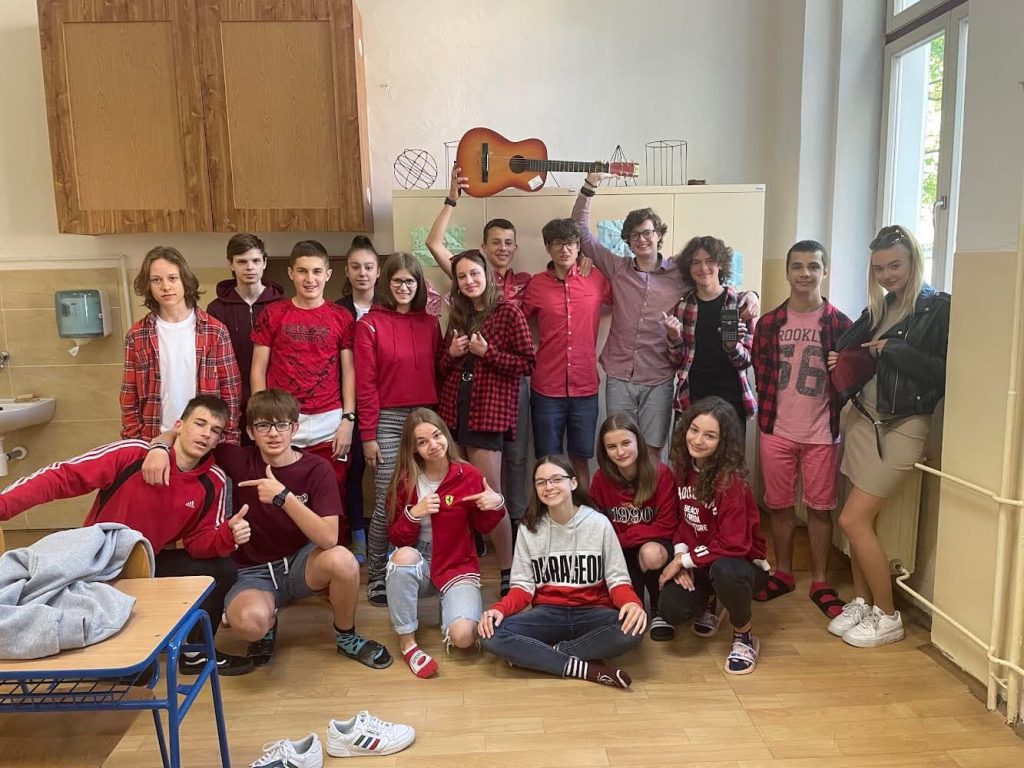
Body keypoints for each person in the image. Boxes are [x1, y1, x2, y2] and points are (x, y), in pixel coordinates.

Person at [1, 395, 252, 674]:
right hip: (97, 562)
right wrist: (4, 506)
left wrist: (227, 535)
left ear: (217, 441)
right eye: (200, 424)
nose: (206, 434)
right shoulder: (133, 453)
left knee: (222, 569)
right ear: (179, 426)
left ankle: (195, 653)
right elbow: (63, 477)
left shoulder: (214, 481)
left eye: (215, 430)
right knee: (135, 675)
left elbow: (198, 543)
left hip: (147, 563)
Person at [144, 389, 392, 670]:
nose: (274, 433)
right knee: (249, 624)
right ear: (251, 432)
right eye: (263, 425)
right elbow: (187, 437)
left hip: (300, 564)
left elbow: (328, 538)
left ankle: (346, 637)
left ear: (294, 428)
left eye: (282, 425)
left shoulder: (317, 469)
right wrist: (158, 447)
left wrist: (283, 497)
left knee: (344, 561)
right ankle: (268, 623)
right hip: (252, 571)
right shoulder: (235, 458)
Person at [826, 225, 950, 648]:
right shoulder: (881, 307)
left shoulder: (937, 308)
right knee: (861, 522)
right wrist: (843, 358)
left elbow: (942, 373)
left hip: (903, 425)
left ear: (914, 260)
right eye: (879, 268)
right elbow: (858, 353)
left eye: (895, 265)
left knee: (852, 520)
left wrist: (892, 349)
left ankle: (889, 614)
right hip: (863, 419)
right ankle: (863, 602)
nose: (886, 275)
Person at [574, 172, 759, 451]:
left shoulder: (679, 273)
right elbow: (580, 231)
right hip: (619, 376)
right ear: (627, 240)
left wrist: (751, 295)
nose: (642, 239)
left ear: (658, 235)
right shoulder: (617, 268)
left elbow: (715, 282)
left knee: (653, 450)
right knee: (620, 447)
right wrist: (590, 186)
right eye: (635, 234)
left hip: (659, 378)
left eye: (647, 232)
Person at [478, 456, 646, 688]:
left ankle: (543, 656)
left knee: (633, 629)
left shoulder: (599, 524)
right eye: (541, 482)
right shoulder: (529, 527)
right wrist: (499, 609)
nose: (549, 486)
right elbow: (522, 588)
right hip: (548, 614)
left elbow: (617, 580)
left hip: (592, 612)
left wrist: (632, 603)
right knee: (490, 634)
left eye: (556, 479)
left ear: (573, 483)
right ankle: (586, 668)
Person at [427, 165, 532, 530]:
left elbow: (526, 359)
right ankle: (483, 536)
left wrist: (490, 353)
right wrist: (452, 198)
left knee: (511, 461)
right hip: (466, 396)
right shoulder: (465, 282)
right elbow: (434, 243)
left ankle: (511, 530)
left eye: (508, 243)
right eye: (495, 242)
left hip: (503, 390)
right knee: (468, 478)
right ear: (484, 250)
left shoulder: (524, 283)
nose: (502, 248)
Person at [751, 240, 852, 619]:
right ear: (787, 271)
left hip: (822, 432)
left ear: (825, 271)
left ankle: (821, 581)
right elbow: (760, 373)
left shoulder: (841, 325)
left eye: (813, 266)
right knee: (778, 506)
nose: (805, 273)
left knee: (820, 509)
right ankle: (784, 573)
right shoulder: (769, 324)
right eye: (797, 266)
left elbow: (850, 378)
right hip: (777, 429)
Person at [437, 250, 535, 596]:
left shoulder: (508, 311)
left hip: (488, 413)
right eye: (462, 276)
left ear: (487, 275)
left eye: (474, 274)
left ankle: (509, 568)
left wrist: (487, 353)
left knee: (489, 494)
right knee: (459, 494)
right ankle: (463, 567)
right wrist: (451, 355)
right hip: (454, 413)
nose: (469, 281)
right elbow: (441, 368)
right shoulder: (458, 314)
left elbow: (527, 363)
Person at [385, 409, 506, 678]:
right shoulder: (405, 480)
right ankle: (408, 643)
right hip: (420, 561)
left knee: (464, 638)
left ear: (446, 436)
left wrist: (496, 504)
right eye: (422, 441)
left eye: (436, 435)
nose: (433, 445)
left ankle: (453, 610)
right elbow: (396, 538)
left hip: (457, 563)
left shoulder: (469, 474)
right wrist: (413, 514)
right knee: (402, 557)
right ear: (413, 448)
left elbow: (483, 526)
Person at [355, 253, 442, 606]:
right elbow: (365, 384)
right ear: (385, 283)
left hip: (426, 418)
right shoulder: (369, 325)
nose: (404, 287)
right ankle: (377, 574)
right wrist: (368, 435)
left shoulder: (430, 324)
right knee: (387, 500)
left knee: (425, 497)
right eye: (397, 281)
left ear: (419, 285)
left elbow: (439, 369)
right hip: (388, 421)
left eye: (410, 281)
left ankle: (417, 567)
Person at [660, 397, 769, 675]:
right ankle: (711, 601)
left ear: (723, 442)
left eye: (709, 435)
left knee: (725, 571)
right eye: (694, 430)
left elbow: (734, 544)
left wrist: (684, 561)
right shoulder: (682, 469)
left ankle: (744, 635)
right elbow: (681, 522)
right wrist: (681, 557)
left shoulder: (730, 481)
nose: (697, 440)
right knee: (671, 609)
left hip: (738, 564)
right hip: (701, 559)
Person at [251, 240, 355, 519]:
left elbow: (349, 371)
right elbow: (258, 369)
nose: (310, 279)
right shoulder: (273, 314)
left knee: (330, 498)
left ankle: (331, 547)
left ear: (328, 274)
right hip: (281, 423)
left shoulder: (342, 317)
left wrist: (348, 420)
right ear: (291, 273)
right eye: (302, 271)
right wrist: (261, 419)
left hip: (329, 424)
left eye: (317, 271)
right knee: (281, 501)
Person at [121, 246, 241, 444]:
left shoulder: (215, 331)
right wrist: (133, 441)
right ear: (148, 285)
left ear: (184, 280)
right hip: (154, 437)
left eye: (172, 278)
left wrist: (228, 439)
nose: (165, 286)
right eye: (156, 280)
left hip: (205, 440)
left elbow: (231, 391)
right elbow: (129, 394)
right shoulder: (137, 335)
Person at [523, 218, 611, 488]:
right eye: (558, 243)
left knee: (581, 458)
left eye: (570, 243)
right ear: (548, 247)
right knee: (547, 461)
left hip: (585, 387)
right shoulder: (536, 285)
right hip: (546, 388)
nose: (565, 249)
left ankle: (582, 509)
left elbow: (627, 296)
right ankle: (548, 512)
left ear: (578, 246)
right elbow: (516, 321)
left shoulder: (596, 279)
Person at [590, 414, 679, 641]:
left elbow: (667, 525)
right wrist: (618, 545)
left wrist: (627, 536)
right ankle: (635, 604)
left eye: (626, 443)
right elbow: (596, 523)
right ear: (604, 451)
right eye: (612, 447)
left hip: (653, 545)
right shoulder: (600, 479)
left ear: (638, 441)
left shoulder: (661, 474)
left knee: (650, 553)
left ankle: (659, 608)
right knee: (625, 616)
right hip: (620, 550)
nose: (620, 452)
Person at [663, 235, 755, 435]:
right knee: (687, 453)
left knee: (730, 455)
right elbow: (676, 361)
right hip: (692, 398)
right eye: (696, 262)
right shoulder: (683, 306)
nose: (703, 268)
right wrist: (673, 337)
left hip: (731, 400)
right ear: (689, 268)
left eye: (710, 261)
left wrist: (732, 346)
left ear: (720, 264)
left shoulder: (740, 305)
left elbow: (745, 361)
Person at [207, 233, 284, 444]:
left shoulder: (281, 306)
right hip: (232, 403)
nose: (250, 267)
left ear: (264, 263)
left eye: (256, 261)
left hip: (275, 403)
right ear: (231, 264)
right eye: (242, 261)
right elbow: (213, 361)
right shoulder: (216, 309)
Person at [336, 235, 382, 563]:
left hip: (384, 403)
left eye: (368, 267)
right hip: (346, 403)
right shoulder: (336, 311)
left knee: (387, 474)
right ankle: (358, 537)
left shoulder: (390, 307)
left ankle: (389, 536)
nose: (362, 273)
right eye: (356, 267)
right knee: (350, 473)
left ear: (378, 271)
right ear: (347, 271)